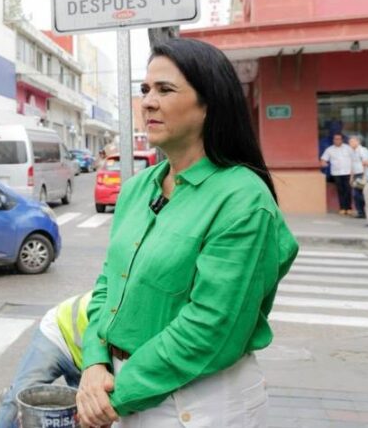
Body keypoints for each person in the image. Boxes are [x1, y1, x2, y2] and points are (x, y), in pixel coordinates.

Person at [75, 38, 299, 428]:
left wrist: (116, 395)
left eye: (165, 89)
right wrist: (94, 361)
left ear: (209, 104)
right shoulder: (136, 189)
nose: (147, 101)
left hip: (198, 404)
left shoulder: (242, 198)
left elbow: (212, 326)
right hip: (123, 390)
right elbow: (108, 284)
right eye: (145, 89)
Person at [0, 292, 92, 428]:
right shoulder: (115, 306)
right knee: (19, 400)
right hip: (58, 334)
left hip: (86, 360)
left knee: (87, 416)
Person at [320, 133, 355, 216]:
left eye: (339, 139)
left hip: (347, 172)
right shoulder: (330, 149)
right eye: (335, 139)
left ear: (342, 140)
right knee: (340, 191)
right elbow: (323, 160)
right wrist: (324, 164)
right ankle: (342, 208)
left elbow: (354, 159)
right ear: (333, 140)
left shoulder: (348, 148)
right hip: (336, 173)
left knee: (348, 190)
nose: (337, 140)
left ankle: (349, 208)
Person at [348, 136, 368, 219]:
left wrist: (364, 176)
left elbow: (366, 163)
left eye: (352, 142)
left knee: (360, 194)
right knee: (356, 195)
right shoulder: (352, 151)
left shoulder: (362, 150)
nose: (350, 144)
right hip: (356, 175)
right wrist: (351, 177)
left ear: (357, 142)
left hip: (362, 174)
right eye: (349, 142)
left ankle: (364, 211)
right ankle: (360, 212)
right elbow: (352, 165)